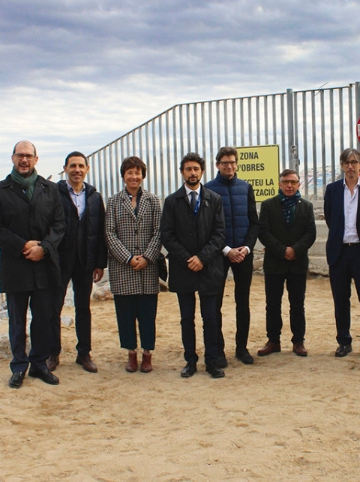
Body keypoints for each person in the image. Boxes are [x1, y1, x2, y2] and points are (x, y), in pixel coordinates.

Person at [0, 140, 66, 389]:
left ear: (36, 159)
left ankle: (39, 364)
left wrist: (44, 248)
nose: (24, 160)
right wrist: (22, 246)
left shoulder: (49, 189)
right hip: (15, 266)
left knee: (43, 319)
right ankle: (19, 366)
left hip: (44, 265)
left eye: (28, 156)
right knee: (17, 321)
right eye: (20, 155)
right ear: (12, 158)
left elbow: (59, 224)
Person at [161, 153, 227, 378]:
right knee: (186, 318)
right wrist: (188, 259)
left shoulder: (214, 199)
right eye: (188, 169)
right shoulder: (172, 201)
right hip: (183, 269)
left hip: (209, 268)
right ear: (182, 172)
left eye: (196, 169)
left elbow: (219, 234)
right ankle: (190, 361)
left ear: (202, 171)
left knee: (210, 318)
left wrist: (202, 258)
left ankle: (212, 361)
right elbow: (167, 235)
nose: (192, 173)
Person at [49, 151, 106, 374]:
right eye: (73, 166)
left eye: (81, 166)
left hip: (85, 261)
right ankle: (53, 353)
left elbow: (100, 231)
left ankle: (84, 353)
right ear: (65, 169)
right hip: (59, 261)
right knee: (54, 308)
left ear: (87, 169)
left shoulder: (94, 197)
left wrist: (99, 263)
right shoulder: (54, 193)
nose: (77, 170)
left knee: (84, 308)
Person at [105, 156, 162, 373]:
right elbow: (109, 233)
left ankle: (147, 354)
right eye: (130, 173)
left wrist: (147, 257)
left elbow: (159, 232)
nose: (134, 177)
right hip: (123, 267)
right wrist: (128, 258)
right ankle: (131, 353)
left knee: (148, 314)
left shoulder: (153, 201)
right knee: (125, 314)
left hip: (148, 267)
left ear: (143, 175)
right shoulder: (113, 202)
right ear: (123, 176)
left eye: (137, 173)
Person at [204, 147, 260, 366]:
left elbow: (254, 222)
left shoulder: (245, 188)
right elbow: (207, 227)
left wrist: (246, 247)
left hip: (243, 254)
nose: (229, 166)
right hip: (218, 254)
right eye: (225, 162)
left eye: (232, 162)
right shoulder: (208, 189)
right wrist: (226, 249)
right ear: (217, 164)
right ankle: (218, 350)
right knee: (215, 304)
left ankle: (241, 348)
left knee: (242, 303)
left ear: (237, 164)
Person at [323, 148, 360, 359]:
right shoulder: (333, 190)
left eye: (354, 162)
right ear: (341, 165)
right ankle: (344, 341)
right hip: (339, 252)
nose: (350, 166)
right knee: (340, 300)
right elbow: (330, 217)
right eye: (346, 163)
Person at [256, 169, 317, 358]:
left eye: (293, 182)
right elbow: (263, 232)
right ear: (279, 184)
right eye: (286, 182)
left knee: (297, 304)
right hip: (275, 263)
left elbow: (310, 233)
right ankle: (273, 341)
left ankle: (298, 341)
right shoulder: (268, 205)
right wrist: (282, 250)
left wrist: (295, 250)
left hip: (298, 263)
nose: (289, 186)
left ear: (299, 184)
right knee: (272, 304)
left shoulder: (306, 206)